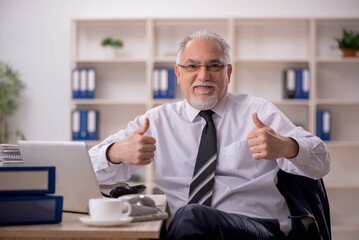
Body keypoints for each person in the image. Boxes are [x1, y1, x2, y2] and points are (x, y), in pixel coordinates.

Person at [89, 30, 331, 240]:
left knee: (191, 215)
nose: (203, 75)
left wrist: (288, 147)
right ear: (178, 73)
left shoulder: (258, 112)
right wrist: (115, 152)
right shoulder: (158, 120)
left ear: (228, 72)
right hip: (186, 230)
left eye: (214, 66)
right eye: (192, 66)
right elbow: (87, 170)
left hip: (257, 229)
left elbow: (322, 161)